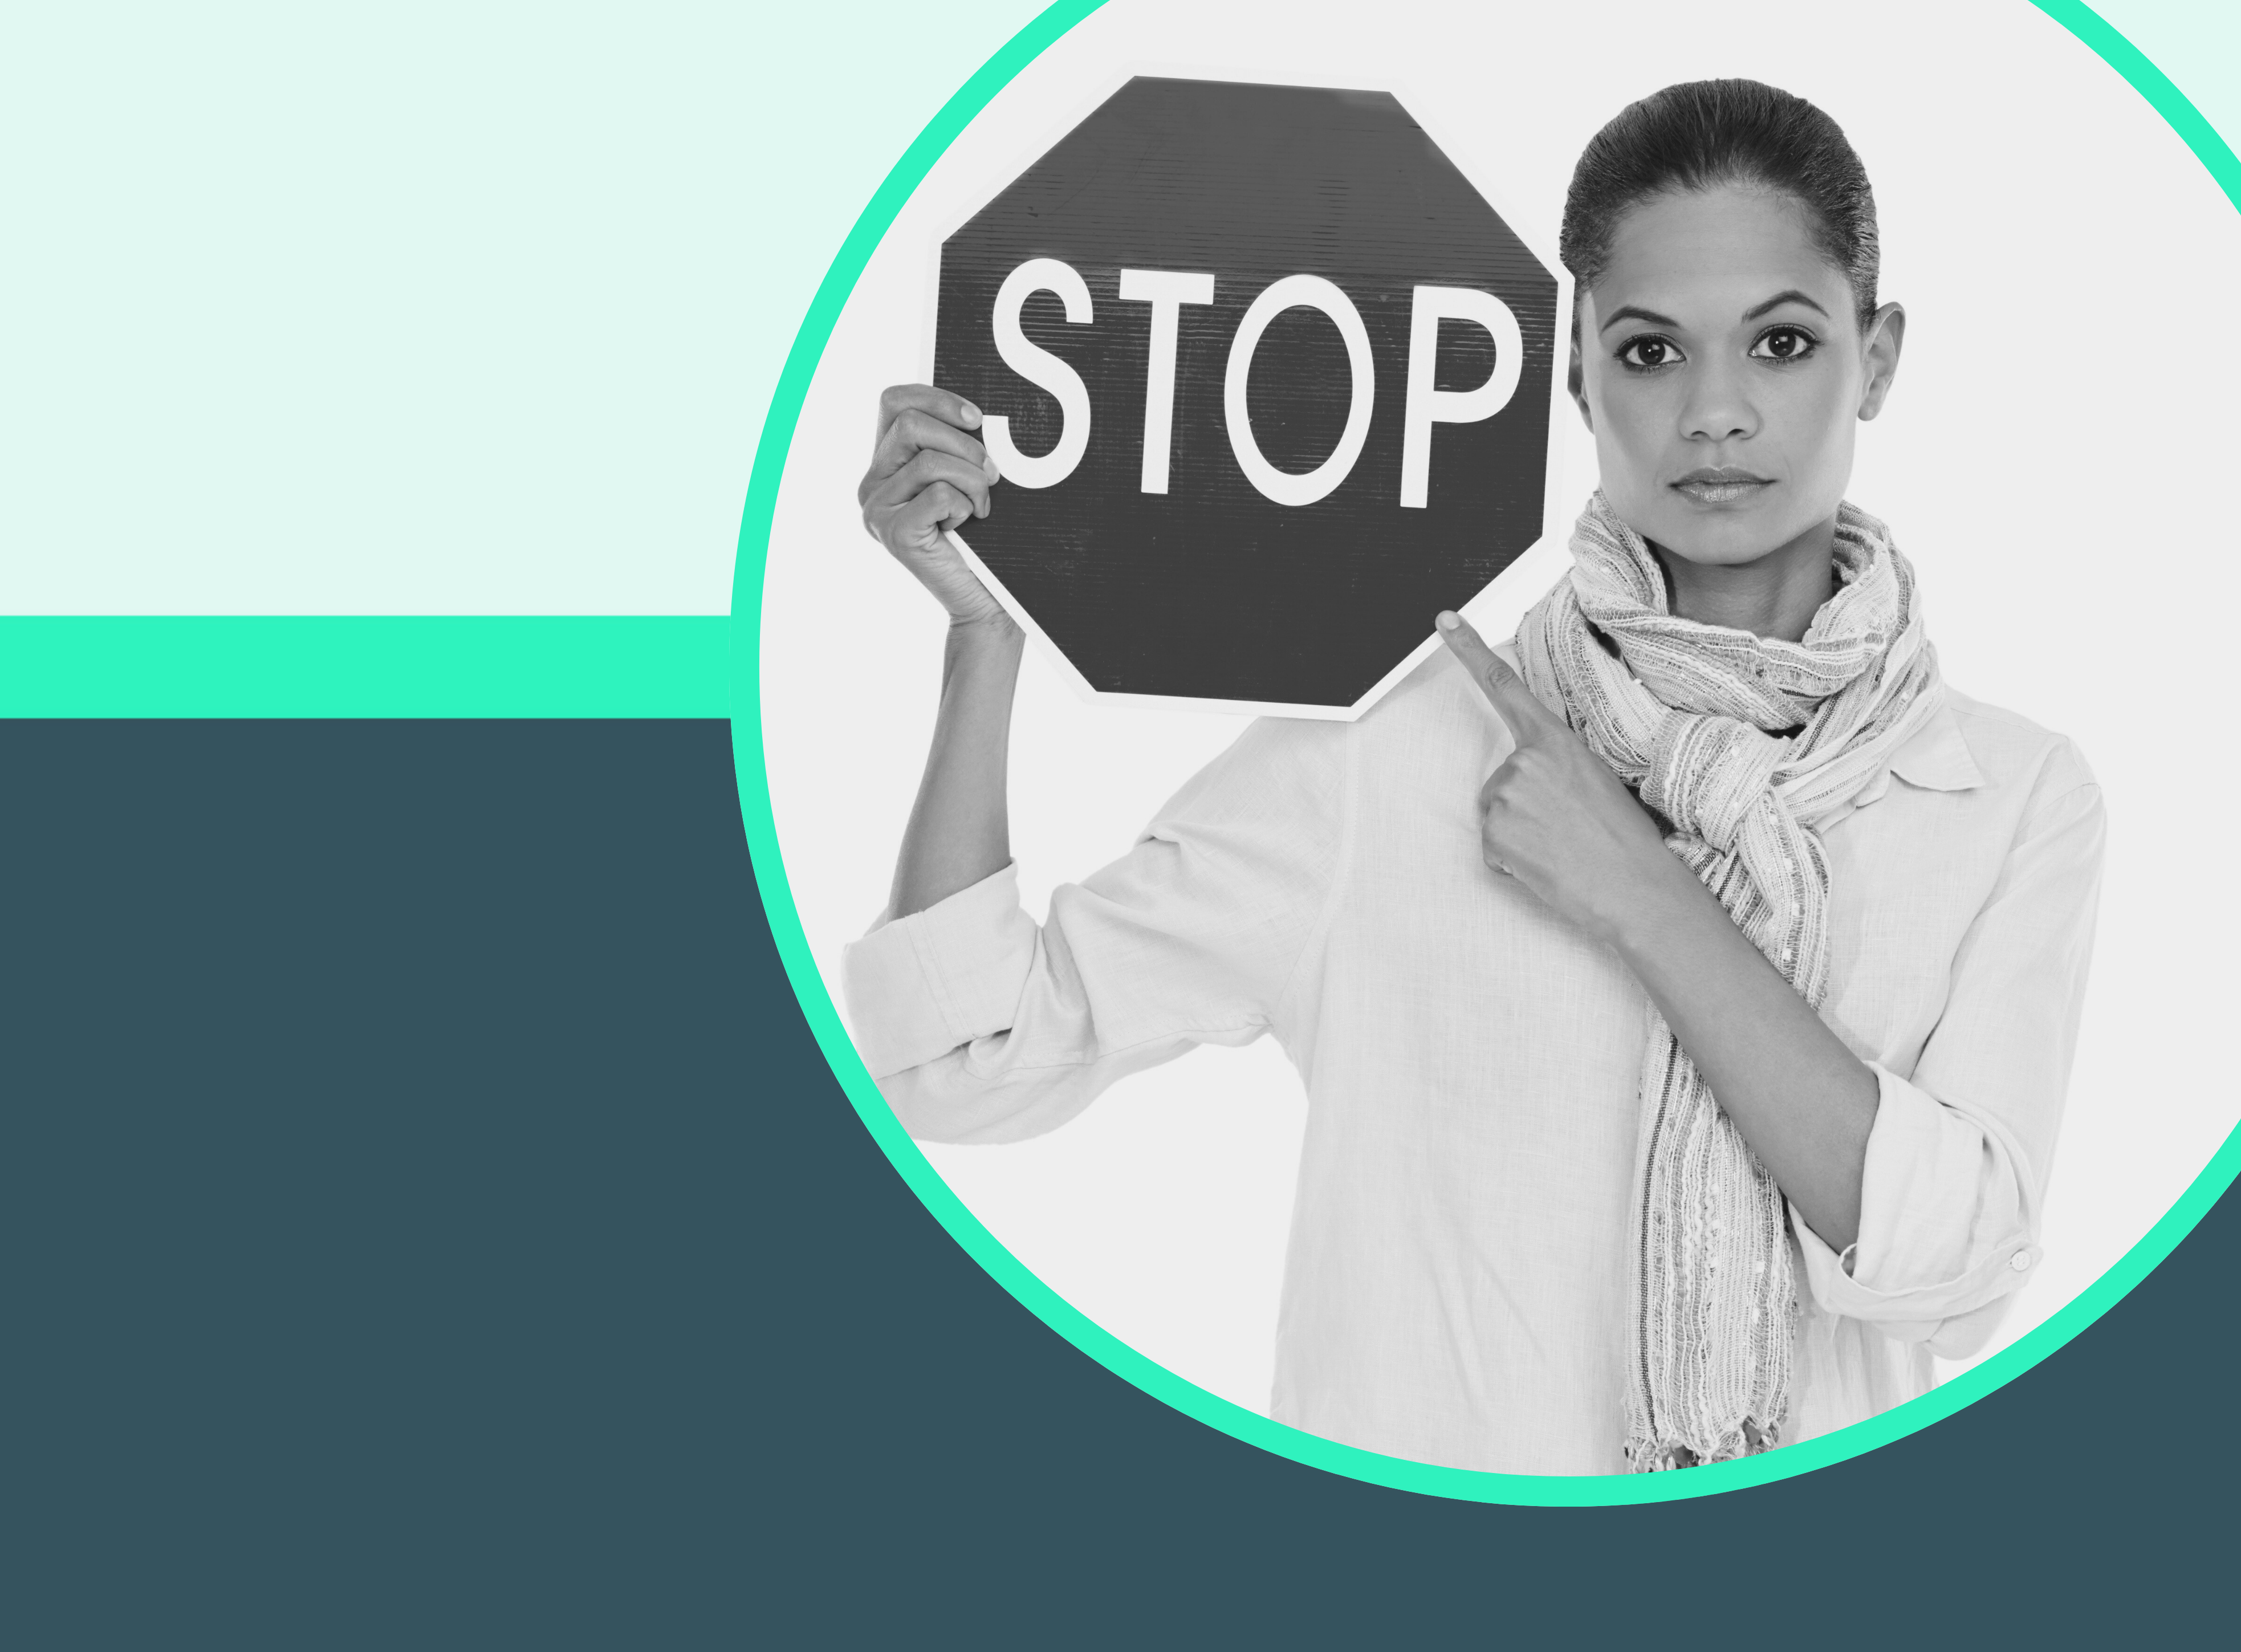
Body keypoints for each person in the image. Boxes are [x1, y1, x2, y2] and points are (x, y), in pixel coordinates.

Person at [840, 78, 2106, 1475]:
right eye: (1648, 352)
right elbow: (957, 1066)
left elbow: (1964, 1268)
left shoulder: (2004, 794)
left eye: (1785, 342)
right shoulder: (1386, 741)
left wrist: (1646, 900)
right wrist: (984, 635)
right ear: (1572, 369)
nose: (1718, 411)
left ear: (1876, 360)